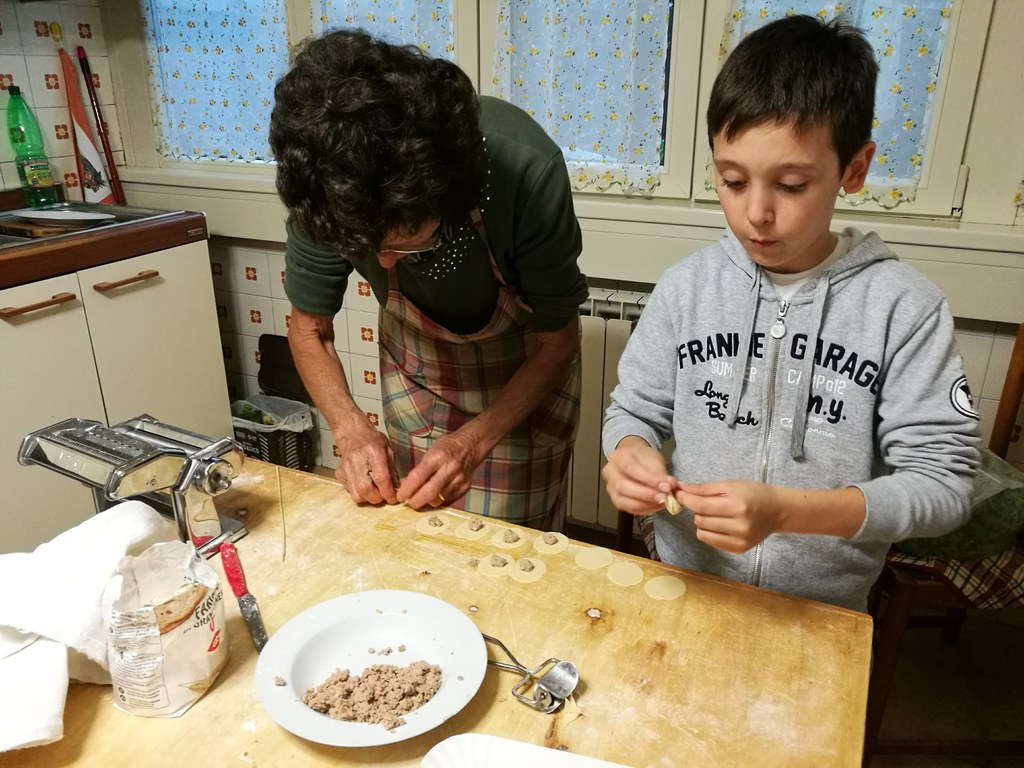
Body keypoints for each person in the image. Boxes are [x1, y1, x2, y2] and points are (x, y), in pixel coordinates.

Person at [601, 15, 979, 612]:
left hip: (822, 610)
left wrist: (787, 513)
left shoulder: (904, 309)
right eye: (731, 180)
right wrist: (626, 451)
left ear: (853, 170)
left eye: (793, 184)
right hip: (686, 583)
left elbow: (943, 486)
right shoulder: (686, 289)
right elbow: (633, 409)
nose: (756, 213)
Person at [269, 29, 587, 531]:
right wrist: (350, 429)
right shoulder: (324, 184)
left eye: (406, 242)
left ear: (445, 194)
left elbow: (558, 341)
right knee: (416, 532)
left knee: (507, 548)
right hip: (416, 364)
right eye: (368, 250)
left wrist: (472, 441)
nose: (387, 265)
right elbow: (310, 330)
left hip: (523, 367)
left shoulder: (522, 168)